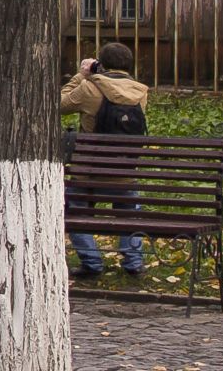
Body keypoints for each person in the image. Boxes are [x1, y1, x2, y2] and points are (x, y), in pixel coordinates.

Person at [60, 40, 149, 279]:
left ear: (102, 63)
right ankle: (133, 262)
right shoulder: (140, 92)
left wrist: (81, 76)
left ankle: (92, 262)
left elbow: (60, 104)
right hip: (125, 170)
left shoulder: (90, 88)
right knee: (129, 208)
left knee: (75, 210)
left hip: (89, 171)